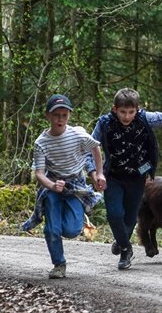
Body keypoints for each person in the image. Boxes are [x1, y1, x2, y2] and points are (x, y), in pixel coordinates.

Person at [90, 87, 162, 270]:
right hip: (113, 176)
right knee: (114, 213)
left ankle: (121, 240)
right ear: (114, 109)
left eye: (131, 112)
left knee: (130, 218)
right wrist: (96, 172)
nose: (127, 116)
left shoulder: (144, 119)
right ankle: (126, 249)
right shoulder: (104, 123)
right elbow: (90, 147)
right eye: (122, 112)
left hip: (137, 177)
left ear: (138, 109)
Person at [30, 94, 106, 279]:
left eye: (64, 115)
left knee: (71, 230)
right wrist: (51, 185)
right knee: (52, 229)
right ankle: (59, 264)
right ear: (48, 115)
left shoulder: (78, 134)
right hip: (53, 186)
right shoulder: (41, 143)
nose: (60, 119)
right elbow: (39, 173)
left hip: (76, 186)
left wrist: (99, 173)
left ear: (69, 115)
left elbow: (96, 148)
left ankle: (65, 218)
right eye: (56, 115)